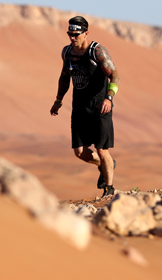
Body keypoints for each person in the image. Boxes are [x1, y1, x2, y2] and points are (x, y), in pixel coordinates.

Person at [50, 16, 121, 198]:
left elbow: (115, 76)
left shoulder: (97, 52)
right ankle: (107, 165)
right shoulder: (67, 53)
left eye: (76, 34)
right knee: (79, 152)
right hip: (80, 107)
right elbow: (65, 77)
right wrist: (58, 100)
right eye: (70, 34)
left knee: (101, 149)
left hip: (100, 107)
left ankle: (109, 189)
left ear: (86, 33)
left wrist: (109, 98)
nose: (72, 38)